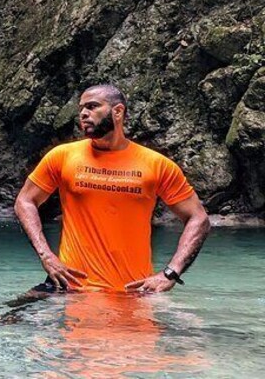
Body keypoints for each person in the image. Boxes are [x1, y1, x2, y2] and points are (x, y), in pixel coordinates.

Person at [14, 84, 211, 293]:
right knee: (0, 323)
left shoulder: (157, 165)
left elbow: (198, 219)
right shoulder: (62, 156)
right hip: (68, 288)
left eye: (92, 107)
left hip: (133, 291)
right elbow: (25, 201)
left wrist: (170, 273)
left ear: (118, 111)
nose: (83, 114)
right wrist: (46, 256)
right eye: (81, 108)